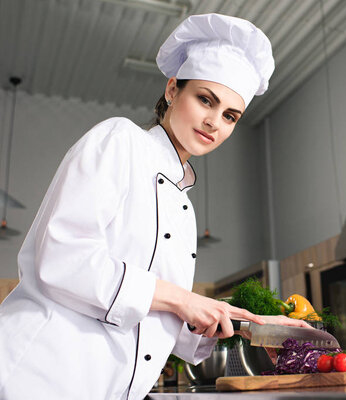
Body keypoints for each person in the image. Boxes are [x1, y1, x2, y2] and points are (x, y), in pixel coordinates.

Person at [0, 14, 309, 400]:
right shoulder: (120, 140)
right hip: (38, 376)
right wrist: (184, 299)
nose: (214, 122)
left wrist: (248, 323)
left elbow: (160, 320)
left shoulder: (184, 208)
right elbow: (62, 259)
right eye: (205, 99)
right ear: (172, 90)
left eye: (230, 116)